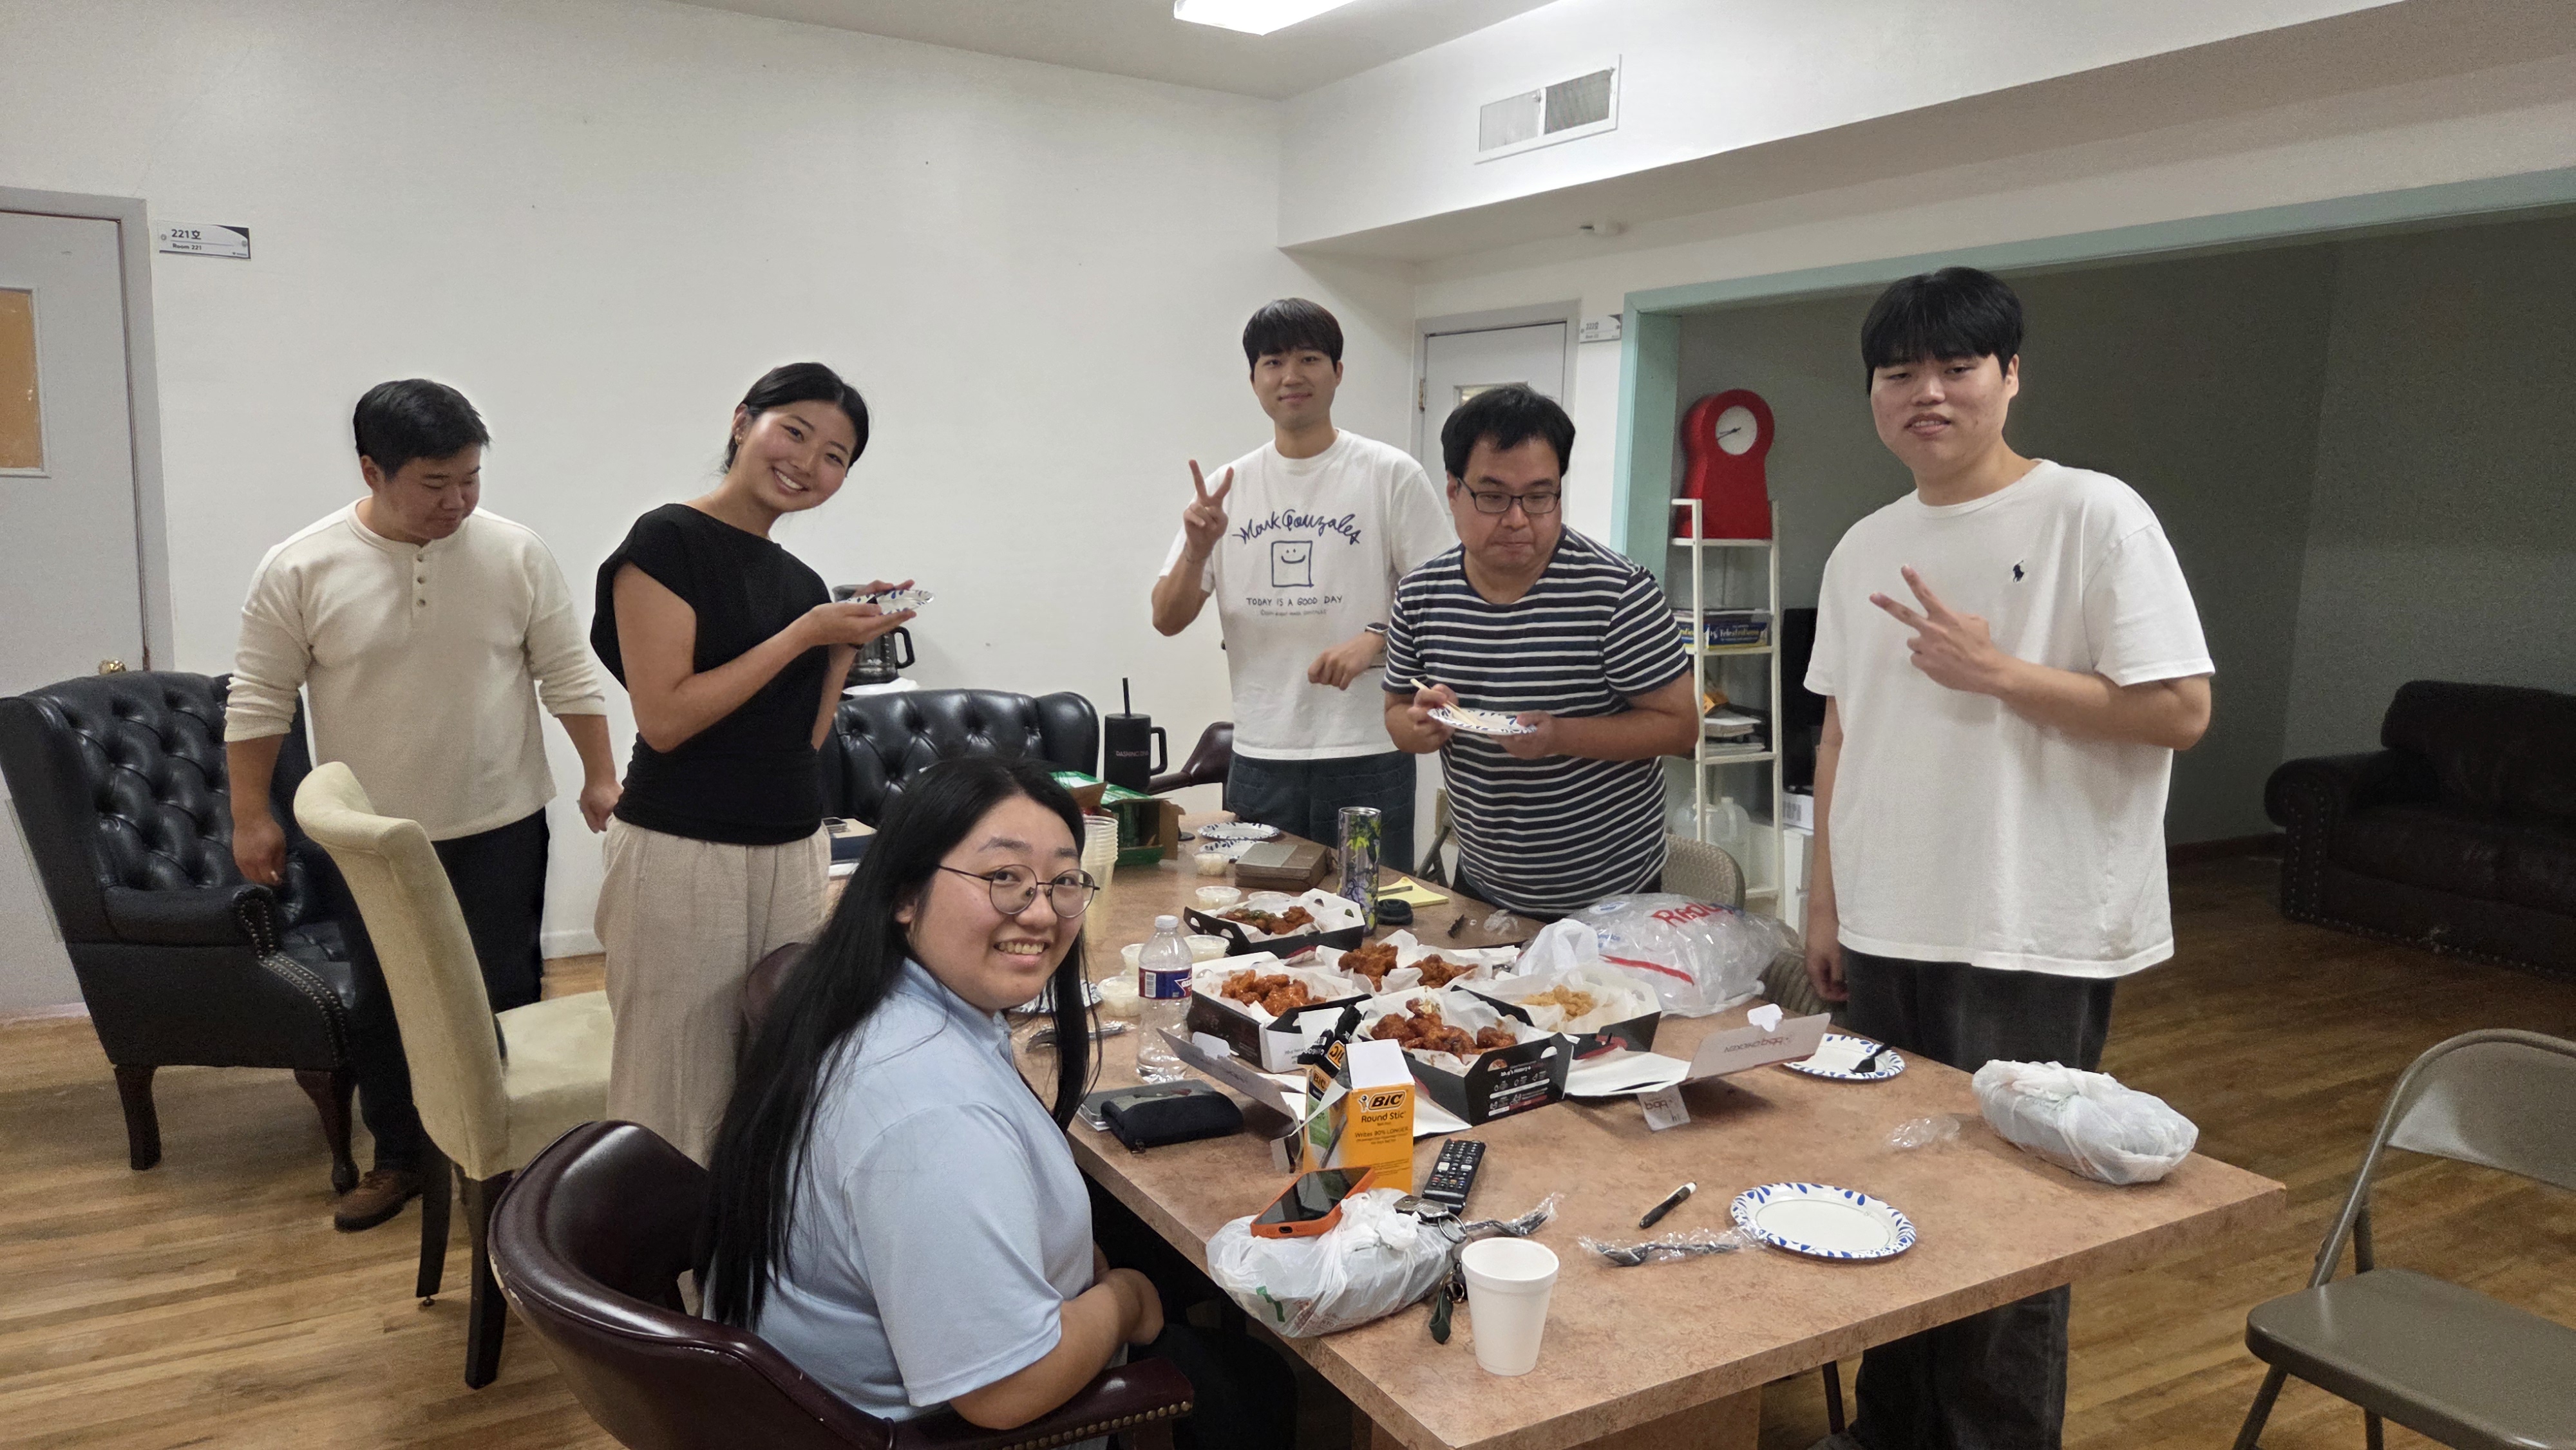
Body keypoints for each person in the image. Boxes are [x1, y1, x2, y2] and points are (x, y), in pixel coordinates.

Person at [1802, 267, 2212, 1450]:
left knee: (2009, 1221)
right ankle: (1888, 1431)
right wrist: (1826, 905)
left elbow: (2181, 710)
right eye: (1899, 373)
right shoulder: (1864, 543)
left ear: (2011, 375)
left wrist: (2002, 675)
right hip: (1887, 923)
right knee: (1887, 1196)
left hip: (2029, 926)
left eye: (1957, 368)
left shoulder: (2094, 514)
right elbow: (1840, 733)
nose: (1927, 394)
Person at [704, 755, 1294, 1447]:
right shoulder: (931, 1114)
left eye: (1062, 881)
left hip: (831, 1395)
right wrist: (1125, 1301)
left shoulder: (865, 1001)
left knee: (1153, 1249)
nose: (1040, 911)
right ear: (905, 892)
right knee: (1250, 1381)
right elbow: (1004, 1392)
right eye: (1003, 878)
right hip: (927, 1427)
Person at [227, 378, 619, 1232]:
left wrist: (601, 774)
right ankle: (399, 1157)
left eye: (471, 478)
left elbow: (566, 670)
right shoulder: (301, 565)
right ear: (372, 470)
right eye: (435, 483)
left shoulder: (515, 553)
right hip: (372, 838)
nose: (458, 501)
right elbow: (260, 696)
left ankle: (508, 1164)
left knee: (505, 988)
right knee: (386, 997)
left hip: (501, 816)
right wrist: (251, 814)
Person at [592, 362, 913, 1165]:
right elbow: (666, 719)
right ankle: (657, 1247)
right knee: (673, 1090)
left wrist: (838, 649)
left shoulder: (799, 582)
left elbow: (801, 743)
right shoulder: (666, 541)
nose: (808, 463)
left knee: (775, 1084)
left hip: (792, 850)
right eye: (794, 432)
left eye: (835, 455)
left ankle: (747, 1246)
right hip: (681, 848)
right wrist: (804, 633)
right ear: (742, 421)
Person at [1151, 297, 1452, 867]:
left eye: (1309, 359)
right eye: (1273, 362)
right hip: (1261, 756)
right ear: (1254, 380)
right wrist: (1196, 549)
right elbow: (1166, 618)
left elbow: (1444, 603)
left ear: (1337, 372)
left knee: (1369, 906)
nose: (1291, 376)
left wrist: (1376, 640)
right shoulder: (1226, 487)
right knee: (1260, 909)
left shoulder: (1389, 475)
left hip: (1368, 751)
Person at [1381, 386, 1698, 918]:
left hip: (1612, 894)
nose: (1517, 519)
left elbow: (1680, 728)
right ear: (1454, 492)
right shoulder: (1421, 595)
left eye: (1538, 496)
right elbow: (1396, 712)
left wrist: (1558, 736)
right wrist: (1420, 727)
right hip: (1483, 880)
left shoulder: (1617, 593)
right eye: (1493, 496)